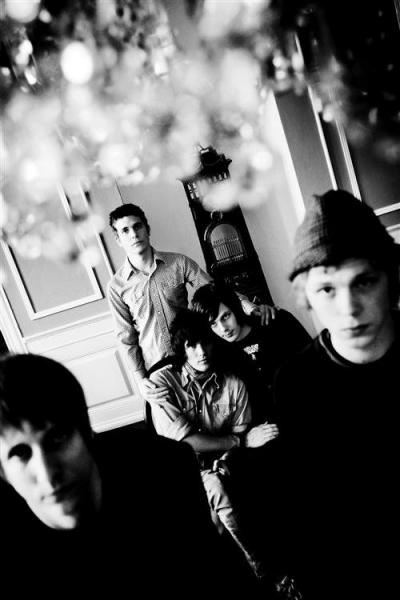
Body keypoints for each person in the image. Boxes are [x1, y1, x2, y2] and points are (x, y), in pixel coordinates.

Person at [0, 352, 235, 598]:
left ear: (87, 433)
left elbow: (215, 573)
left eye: (57, 439)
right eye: (19, 453)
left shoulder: (162, 470)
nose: (47, 474)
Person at [273, 189, 400, 600]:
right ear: (306, 297)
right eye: (327, 289)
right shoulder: (296, 384)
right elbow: (309, 512)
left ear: (390, 280)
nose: (349, 309)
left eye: (363, 281)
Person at [148, 308, 298, 597]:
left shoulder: (234, 384)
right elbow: (186, 443)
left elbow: (242, 439)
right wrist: (238, 441)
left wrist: (229, 456)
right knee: (216, 490)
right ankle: (267, 572)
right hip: (180, 470)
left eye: (205, 342)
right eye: (191, 345)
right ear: (182, 348)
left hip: (224, 465)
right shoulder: (161, 384)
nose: (201, 351)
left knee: (226, 484)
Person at [107, 203, 275, 402]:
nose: (134, 234)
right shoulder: (116, 287)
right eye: (125, 230)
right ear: (118, 239)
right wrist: (140, 380)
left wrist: (250, 307)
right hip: (157, 369)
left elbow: (216, 291)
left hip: (193, 357)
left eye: (137, 226)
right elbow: (126, 338)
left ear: (147, 229)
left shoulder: (178, 263)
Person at [191, 281, 311, 424]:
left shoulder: (276, 321)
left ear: (235, 308)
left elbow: (316, 361)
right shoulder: (220, 355)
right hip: (269, 428)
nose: (223, 328)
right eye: (213, 324)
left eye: (225, 316)